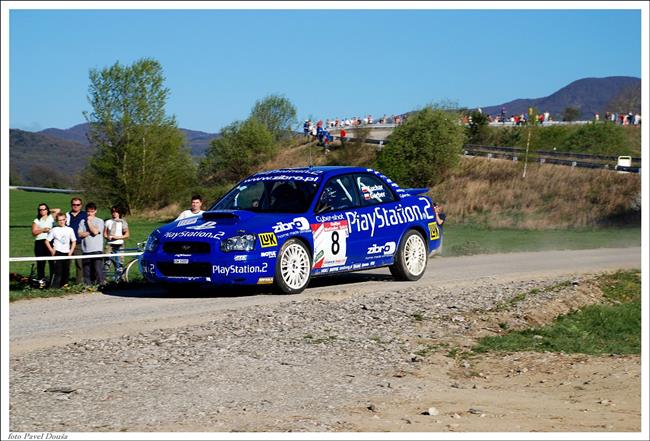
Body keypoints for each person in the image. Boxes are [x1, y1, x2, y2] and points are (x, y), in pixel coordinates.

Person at [44, 213, 76, 288]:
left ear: (65, 220)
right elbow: (47, 241)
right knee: (58, 272)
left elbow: (74, 241)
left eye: (63, 220)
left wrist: (70, 252)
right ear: (57, 221)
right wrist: (52, 250)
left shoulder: (70, 229)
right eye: (59, 220)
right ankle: (55, 288)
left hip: (67, 253)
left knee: (66, 271)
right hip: (58, 253)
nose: (61, 221)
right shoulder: (54, 230)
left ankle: (64, 286)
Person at [31, 203, 60, 284]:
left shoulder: (51, 217)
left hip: (50, 241)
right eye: (40, 210)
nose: (42, 211)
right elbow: (34, 232)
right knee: (40, 262)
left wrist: (48, 210)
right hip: (39, 242)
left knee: (52, 262)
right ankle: (41, 281)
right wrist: (42, 230)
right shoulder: (37, 220)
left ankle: (53, 282)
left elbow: (58, 210)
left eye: (44, 209)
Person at [78, 202, 105, 286]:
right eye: (88, 211)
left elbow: (96, 232)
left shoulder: (99, 221)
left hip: (97, 249)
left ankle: (101, 285)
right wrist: (90, 231)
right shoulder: (82, 222)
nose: (90, 213)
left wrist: (89, 222)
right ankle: (88, 286)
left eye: (92, 211)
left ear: (95, 211)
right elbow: (80, 234)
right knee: (86, 270)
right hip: (86, 250)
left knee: (98, 269)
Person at [65, 197, 87, 284]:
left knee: (79, 264)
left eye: (78, 205)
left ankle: (78, 283)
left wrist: (87, 233)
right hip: (67, 243)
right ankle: (65, 283)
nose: (76, 206)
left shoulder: (85, 215)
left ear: (81, 206)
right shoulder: (67, 215)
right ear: (71, 205)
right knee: (67, 264)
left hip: (79, 243)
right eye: (74, 204)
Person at [104, 205, 130, 275]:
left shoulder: (123, 222)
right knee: (107, 262)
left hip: (120, 244)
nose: (114, 213)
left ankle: (119, 278)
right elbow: (105, 234)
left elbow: (127, 235)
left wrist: (117, 237)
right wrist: (107, 237)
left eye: (116, 212)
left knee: (120, 262)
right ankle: (105, 279)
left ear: (119, 213)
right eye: (113, 212)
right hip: (109, 244)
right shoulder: (108, 222)